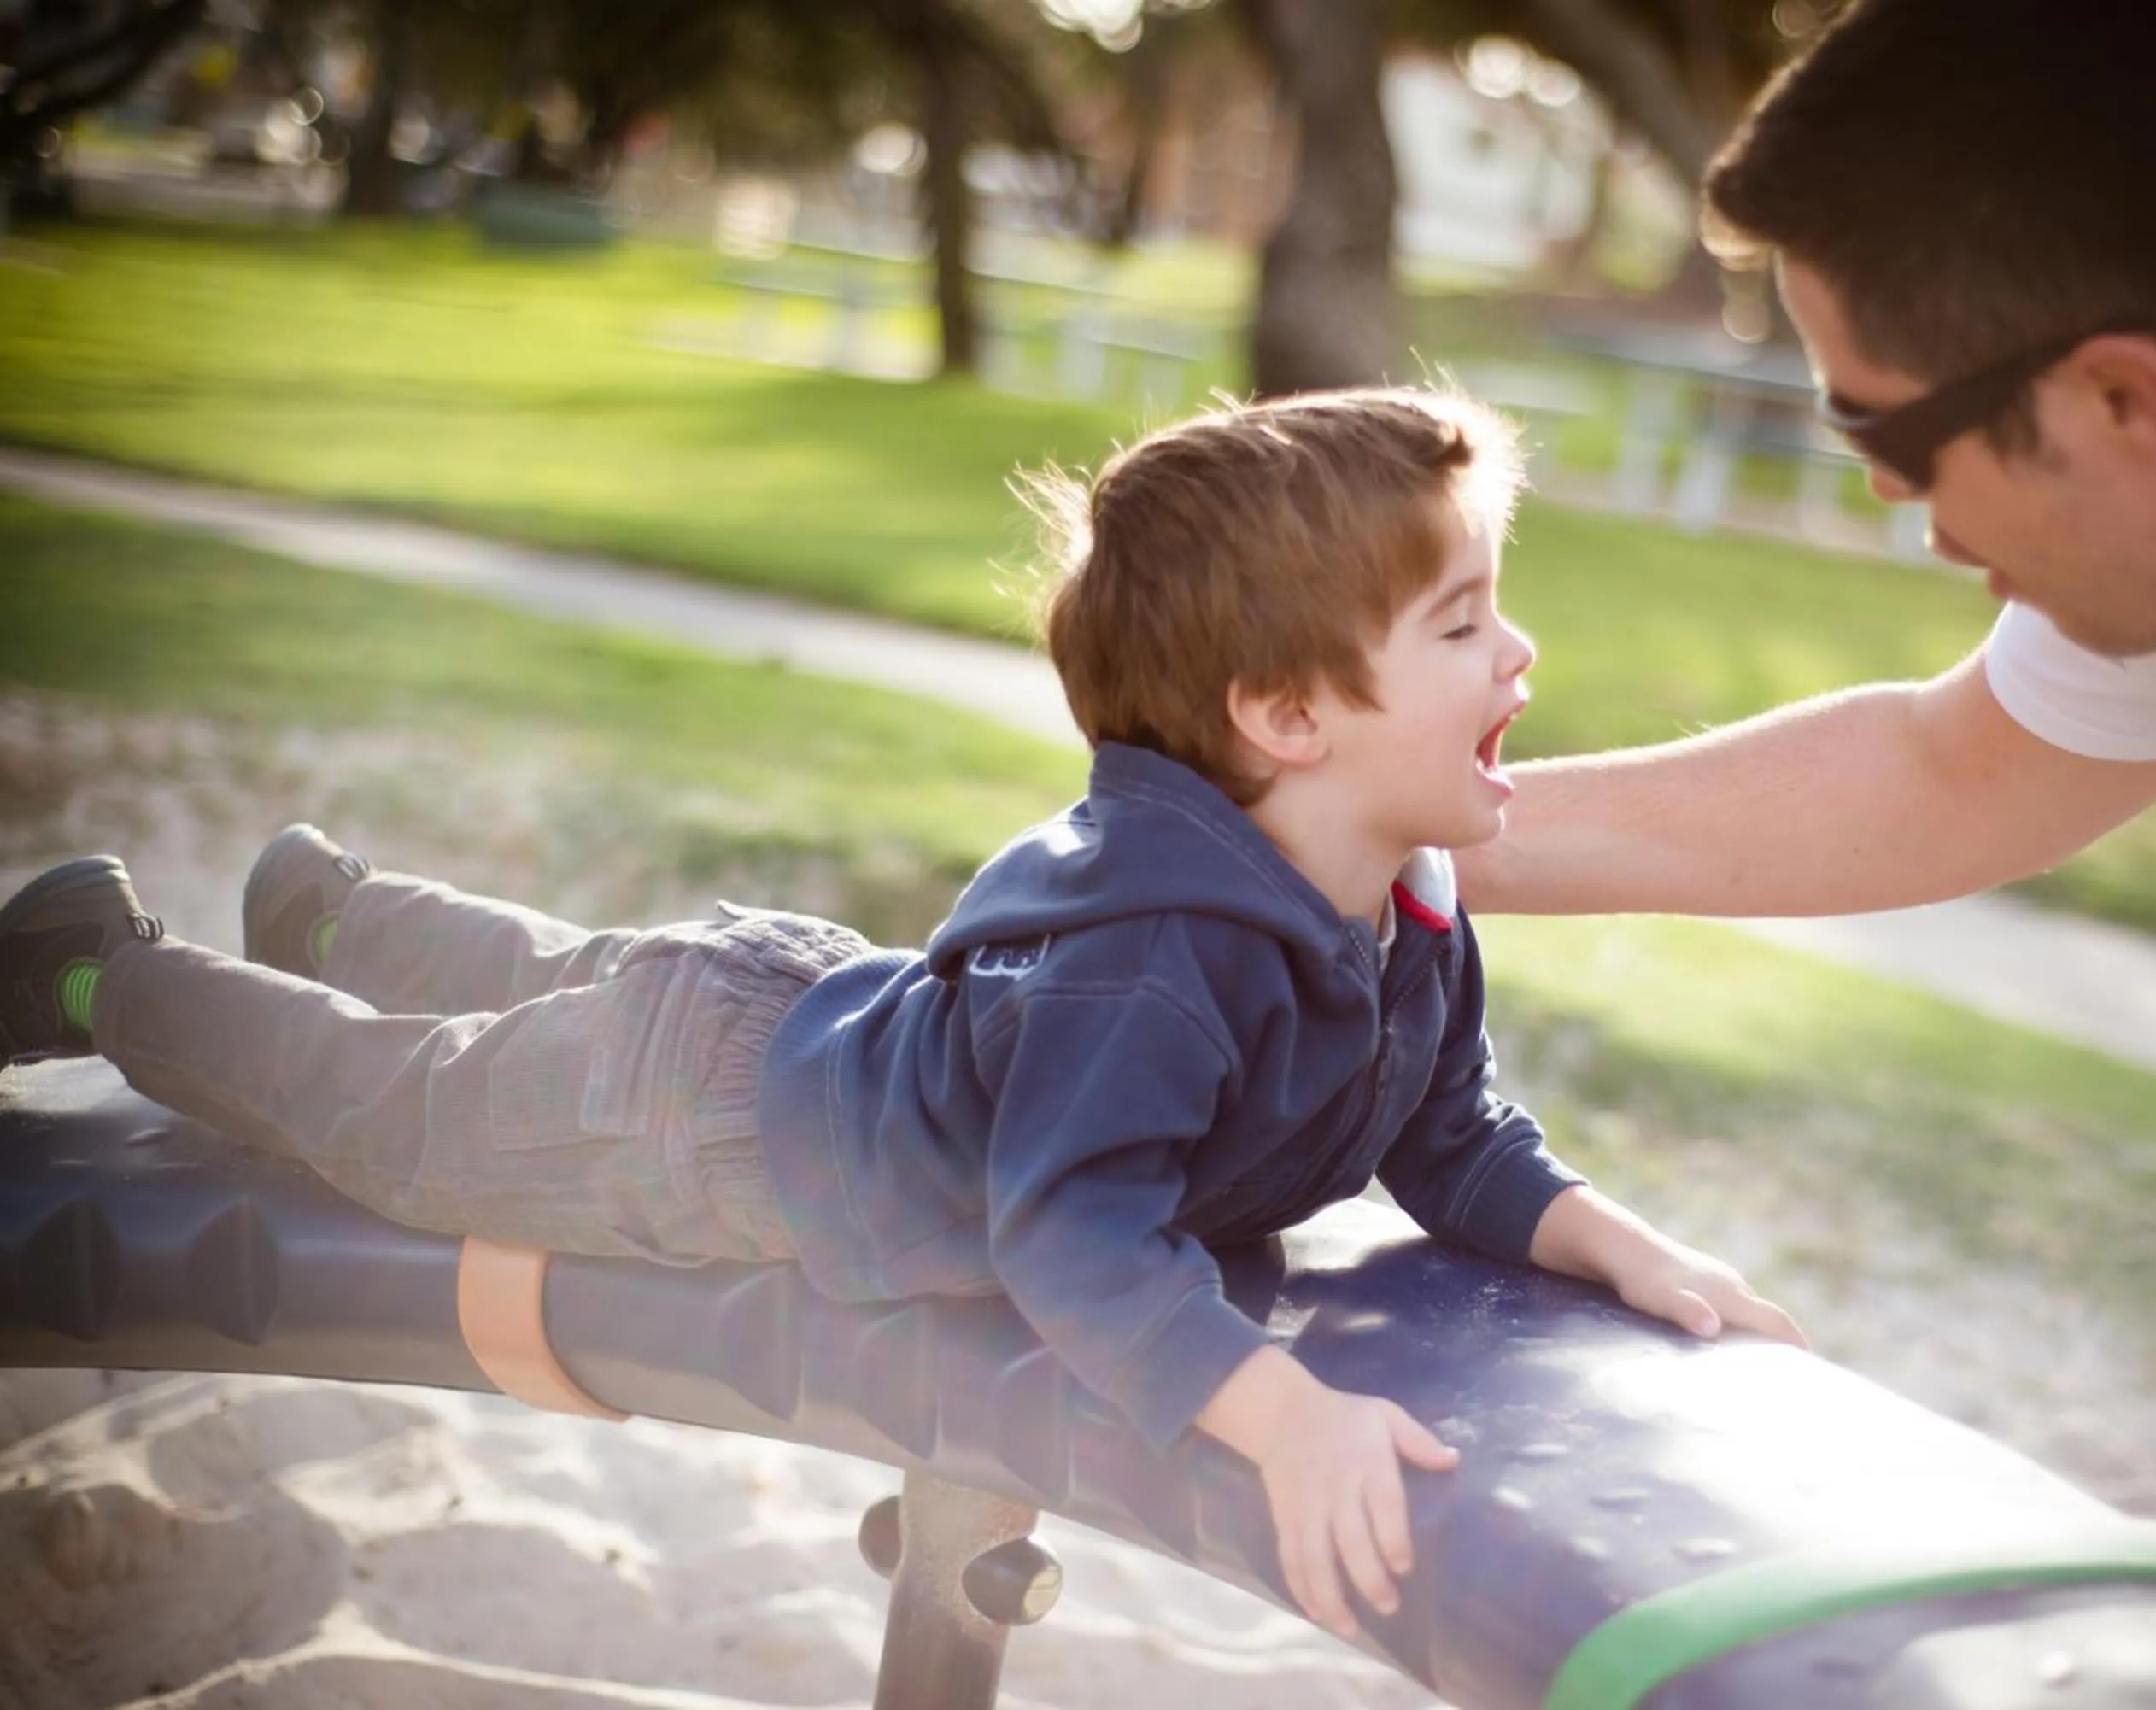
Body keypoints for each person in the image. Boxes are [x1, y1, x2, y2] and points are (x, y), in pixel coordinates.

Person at [0, 387, 1802, 1644]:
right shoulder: (1163, 963)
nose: (1522, 658)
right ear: (1287, 713)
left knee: (567, 983)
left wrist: (1611, 1240)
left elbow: (1451, 1130)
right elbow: (1072, 1237)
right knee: (385, 1111)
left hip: (775, 1014)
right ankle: (99, 961)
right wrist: (1281, 1412)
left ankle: (334, 908)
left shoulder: (1405, 900)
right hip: (704, 1133)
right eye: (1466, 622)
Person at [1455, 3, 2156, 1707]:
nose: (1913, 512)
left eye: (1888, 440)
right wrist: (1388, 837)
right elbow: (1940, 768)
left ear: (2124, 393)